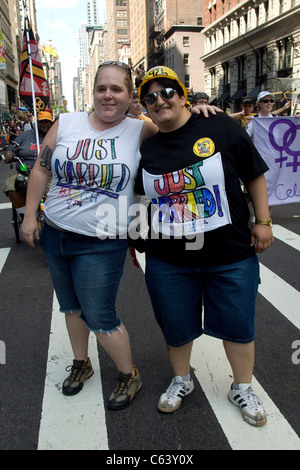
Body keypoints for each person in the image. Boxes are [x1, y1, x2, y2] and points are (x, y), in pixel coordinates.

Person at [135, 66, 274, 426]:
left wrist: (263, 221)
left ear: (183, 96)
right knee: (176, 326)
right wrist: (135, 239)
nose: (159, 100)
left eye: (167, 92)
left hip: (230, 254)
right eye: (150, 97)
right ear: (145, 108)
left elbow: (253, 173)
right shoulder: (147, 147)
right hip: (169, 259)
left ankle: (241, 386)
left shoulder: (219, 126)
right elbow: (138, 195)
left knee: (238, 325)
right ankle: (182, 380)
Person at [21, 61, 158, 411]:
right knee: (71, 307)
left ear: (130, 96)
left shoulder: (140, 129)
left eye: (117, 89)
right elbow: (41, 168)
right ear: (93, 91)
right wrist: (30, 216)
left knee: (99, 315)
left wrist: (203, 112)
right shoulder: (67, 122)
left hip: (102, 242)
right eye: (102, 88)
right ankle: (82, 363)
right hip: (55, 233)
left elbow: (182, 129)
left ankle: (129, 374)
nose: (108, 95)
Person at [3, 110, 54, 217]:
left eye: (48, 122)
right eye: (42, 122)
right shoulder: (25, 135)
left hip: (50, 176)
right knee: (11, 184)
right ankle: (24, 215)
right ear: (37, 123)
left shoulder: (57, 136)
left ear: (52, 123)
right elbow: (13, 147)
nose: (45, 125)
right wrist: (10, 153)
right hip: (26, 174)